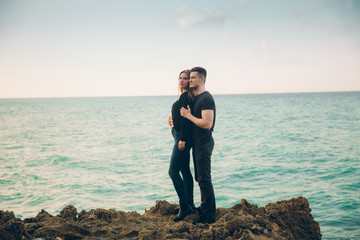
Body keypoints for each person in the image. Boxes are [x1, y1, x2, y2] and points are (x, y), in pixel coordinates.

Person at [180, 67, 216, 224]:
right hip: (197, 143)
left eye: (193, 77)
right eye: (190, 77)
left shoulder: (206, 98)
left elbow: (207, 124)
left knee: (204, 178)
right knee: (199, 177)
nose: (190, 80)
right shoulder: (197, 98)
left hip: (204, 143)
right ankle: (204, 207)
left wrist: (189, 116)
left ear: (202, 79)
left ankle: (209, 216)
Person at [168, 70, 196, 222]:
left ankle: (184, 206)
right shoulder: (184, 96)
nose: (182, 80)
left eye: (185, 78)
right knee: (185, 170)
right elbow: (181, 117)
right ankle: (189, 204)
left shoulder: (186, 96)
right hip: (178, 135)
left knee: (173, 172)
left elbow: (187, 120)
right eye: (180, 78)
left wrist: (183, 139)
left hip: (182, 138)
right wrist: (172, 120)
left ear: (189, 82)